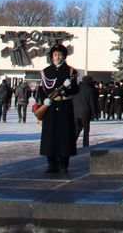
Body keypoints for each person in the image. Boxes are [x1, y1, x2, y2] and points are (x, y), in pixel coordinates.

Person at [33, 44, 79, 174]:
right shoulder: (46, 71)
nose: (57, 57)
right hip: (50, 107)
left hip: (64, 106)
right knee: (50, 135)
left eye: (59, 55)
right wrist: (44, 100)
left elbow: (76, 90)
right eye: (55, 55)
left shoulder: (71, 71)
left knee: (64, 136)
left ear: (64, 56)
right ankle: (51, 163)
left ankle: (64, 164)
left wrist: (68, 87)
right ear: (52, 57)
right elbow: (41, 89)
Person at [72, 75, 99, 147]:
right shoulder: (90, 90)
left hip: (76, 111)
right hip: (86, 112)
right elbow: (92, 103)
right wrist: (94, 113)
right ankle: (85, 144)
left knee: (77, 129)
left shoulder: (76, 88)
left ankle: (72, 143)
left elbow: (72, 99)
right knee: (86, 130)